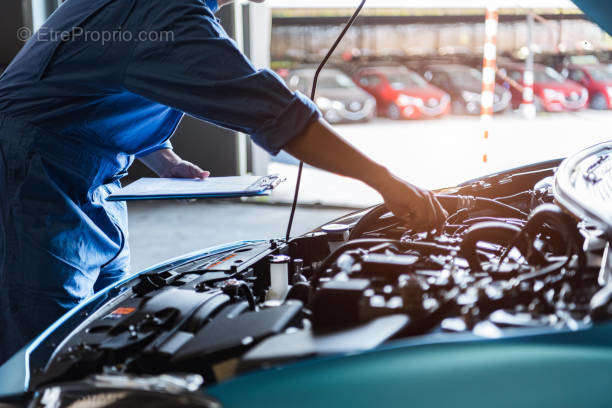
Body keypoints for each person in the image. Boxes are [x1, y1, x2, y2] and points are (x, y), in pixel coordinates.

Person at [0, 0, 446, 363]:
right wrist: (387, 182)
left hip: (78, 172)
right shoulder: (165, 14)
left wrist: (163, 157)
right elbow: (279, 116)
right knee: (44, 347)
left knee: (104, 325)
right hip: (32, 176)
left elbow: (85, 87)